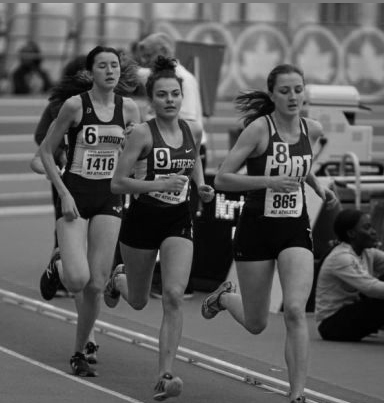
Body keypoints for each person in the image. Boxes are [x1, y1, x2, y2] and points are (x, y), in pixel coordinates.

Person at [200, 64, 337, 403]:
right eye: (285, 91)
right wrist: (268, 181)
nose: (293, 97)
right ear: (273, 94)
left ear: (305, 93)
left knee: (293, 309)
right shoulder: (259, 130)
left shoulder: (313, 129)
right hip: (256, 229)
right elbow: (222, 179)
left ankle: (297, 394)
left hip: (294, 228)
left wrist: (317, 187)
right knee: (257, 322)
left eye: (298, 90)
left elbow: (299, 165)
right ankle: (224, 298)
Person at [106, 56, 214, 400]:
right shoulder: (141, 134)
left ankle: (166, 374)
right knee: (137, 301)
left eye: (175, 94)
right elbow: (118, 184)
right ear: (151, 100)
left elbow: (193, 155)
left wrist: (199, 184)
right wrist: (157, 184)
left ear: (183, 97)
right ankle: (118, 280)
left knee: (172, 296)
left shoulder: (192, 128)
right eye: (163, 95)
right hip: (141, 220)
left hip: (178, 219)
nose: (170, 100)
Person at [39, 45, 141, 377]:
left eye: (114, 66)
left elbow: (135, 157)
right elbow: (45, 151)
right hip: (76, 194)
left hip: (109, 196)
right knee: (79, 277)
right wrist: (63, 193)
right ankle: (59, 263)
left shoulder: (130, 110)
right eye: (102, 66)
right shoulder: (74, 106)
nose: (110, 71)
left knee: (96, 284)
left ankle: (79, 350)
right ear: (91, 72)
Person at [136, 32, 208, 298]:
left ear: (163, 50)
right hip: (162, 146)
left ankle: (177, 281)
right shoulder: (167, 77)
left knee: (179, 213)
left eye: (149, 55)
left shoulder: (182, 80)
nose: (145, 61)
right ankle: (151, 277)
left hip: (183, 147)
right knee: (155, 206)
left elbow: (184, 122)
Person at [315, 209, 384, 342]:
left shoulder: (368, 252)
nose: (373, 232)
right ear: (351, 233)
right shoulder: (341, 258)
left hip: (353, 311)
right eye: (367, 228)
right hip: (331, 324)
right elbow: (370, 287)